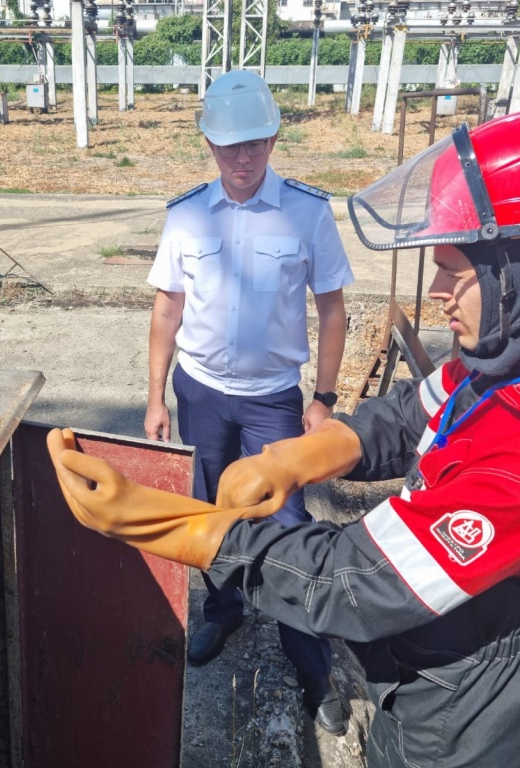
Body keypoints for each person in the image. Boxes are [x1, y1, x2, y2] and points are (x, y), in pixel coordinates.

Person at [46, 107, 520, 767]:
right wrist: (307, 453)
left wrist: (175, 527)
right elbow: (417, 410)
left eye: (454, 270)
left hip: (464, 703)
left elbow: (353, 583)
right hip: (440, 642)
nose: (437, 293)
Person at [143, 69, 354, 734]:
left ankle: (310, 660)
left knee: (289, 526)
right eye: (229, 145)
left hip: (272, 403)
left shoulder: (307, 212)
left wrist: (321, 398)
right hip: (200, 394)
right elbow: (166, 310)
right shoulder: (186, 215)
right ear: (208, 143)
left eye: (255, 142)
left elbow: (334, 309)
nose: (242, 157)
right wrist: (155, 396)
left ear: (273, 138)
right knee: (211, 510)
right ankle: (224, 610)